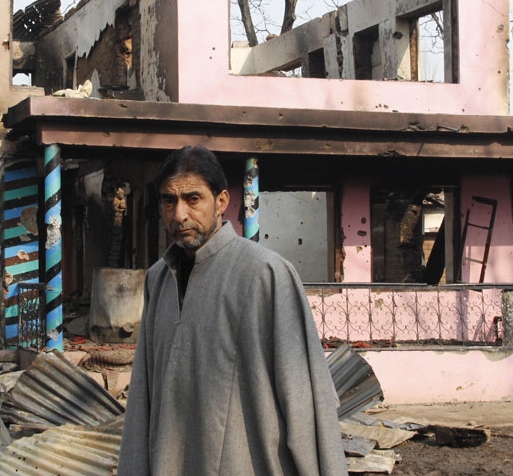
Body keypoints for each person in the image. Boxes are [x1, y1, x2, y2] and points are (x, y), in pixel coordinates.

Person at [117, 146, 347, 476]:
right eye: (169, 201)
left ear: (221, 201)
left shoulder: (265, 274)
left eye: (193, 199)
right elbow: (142, 396)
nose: (179, 214)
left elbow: (305, 401)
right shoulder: (158, 279)